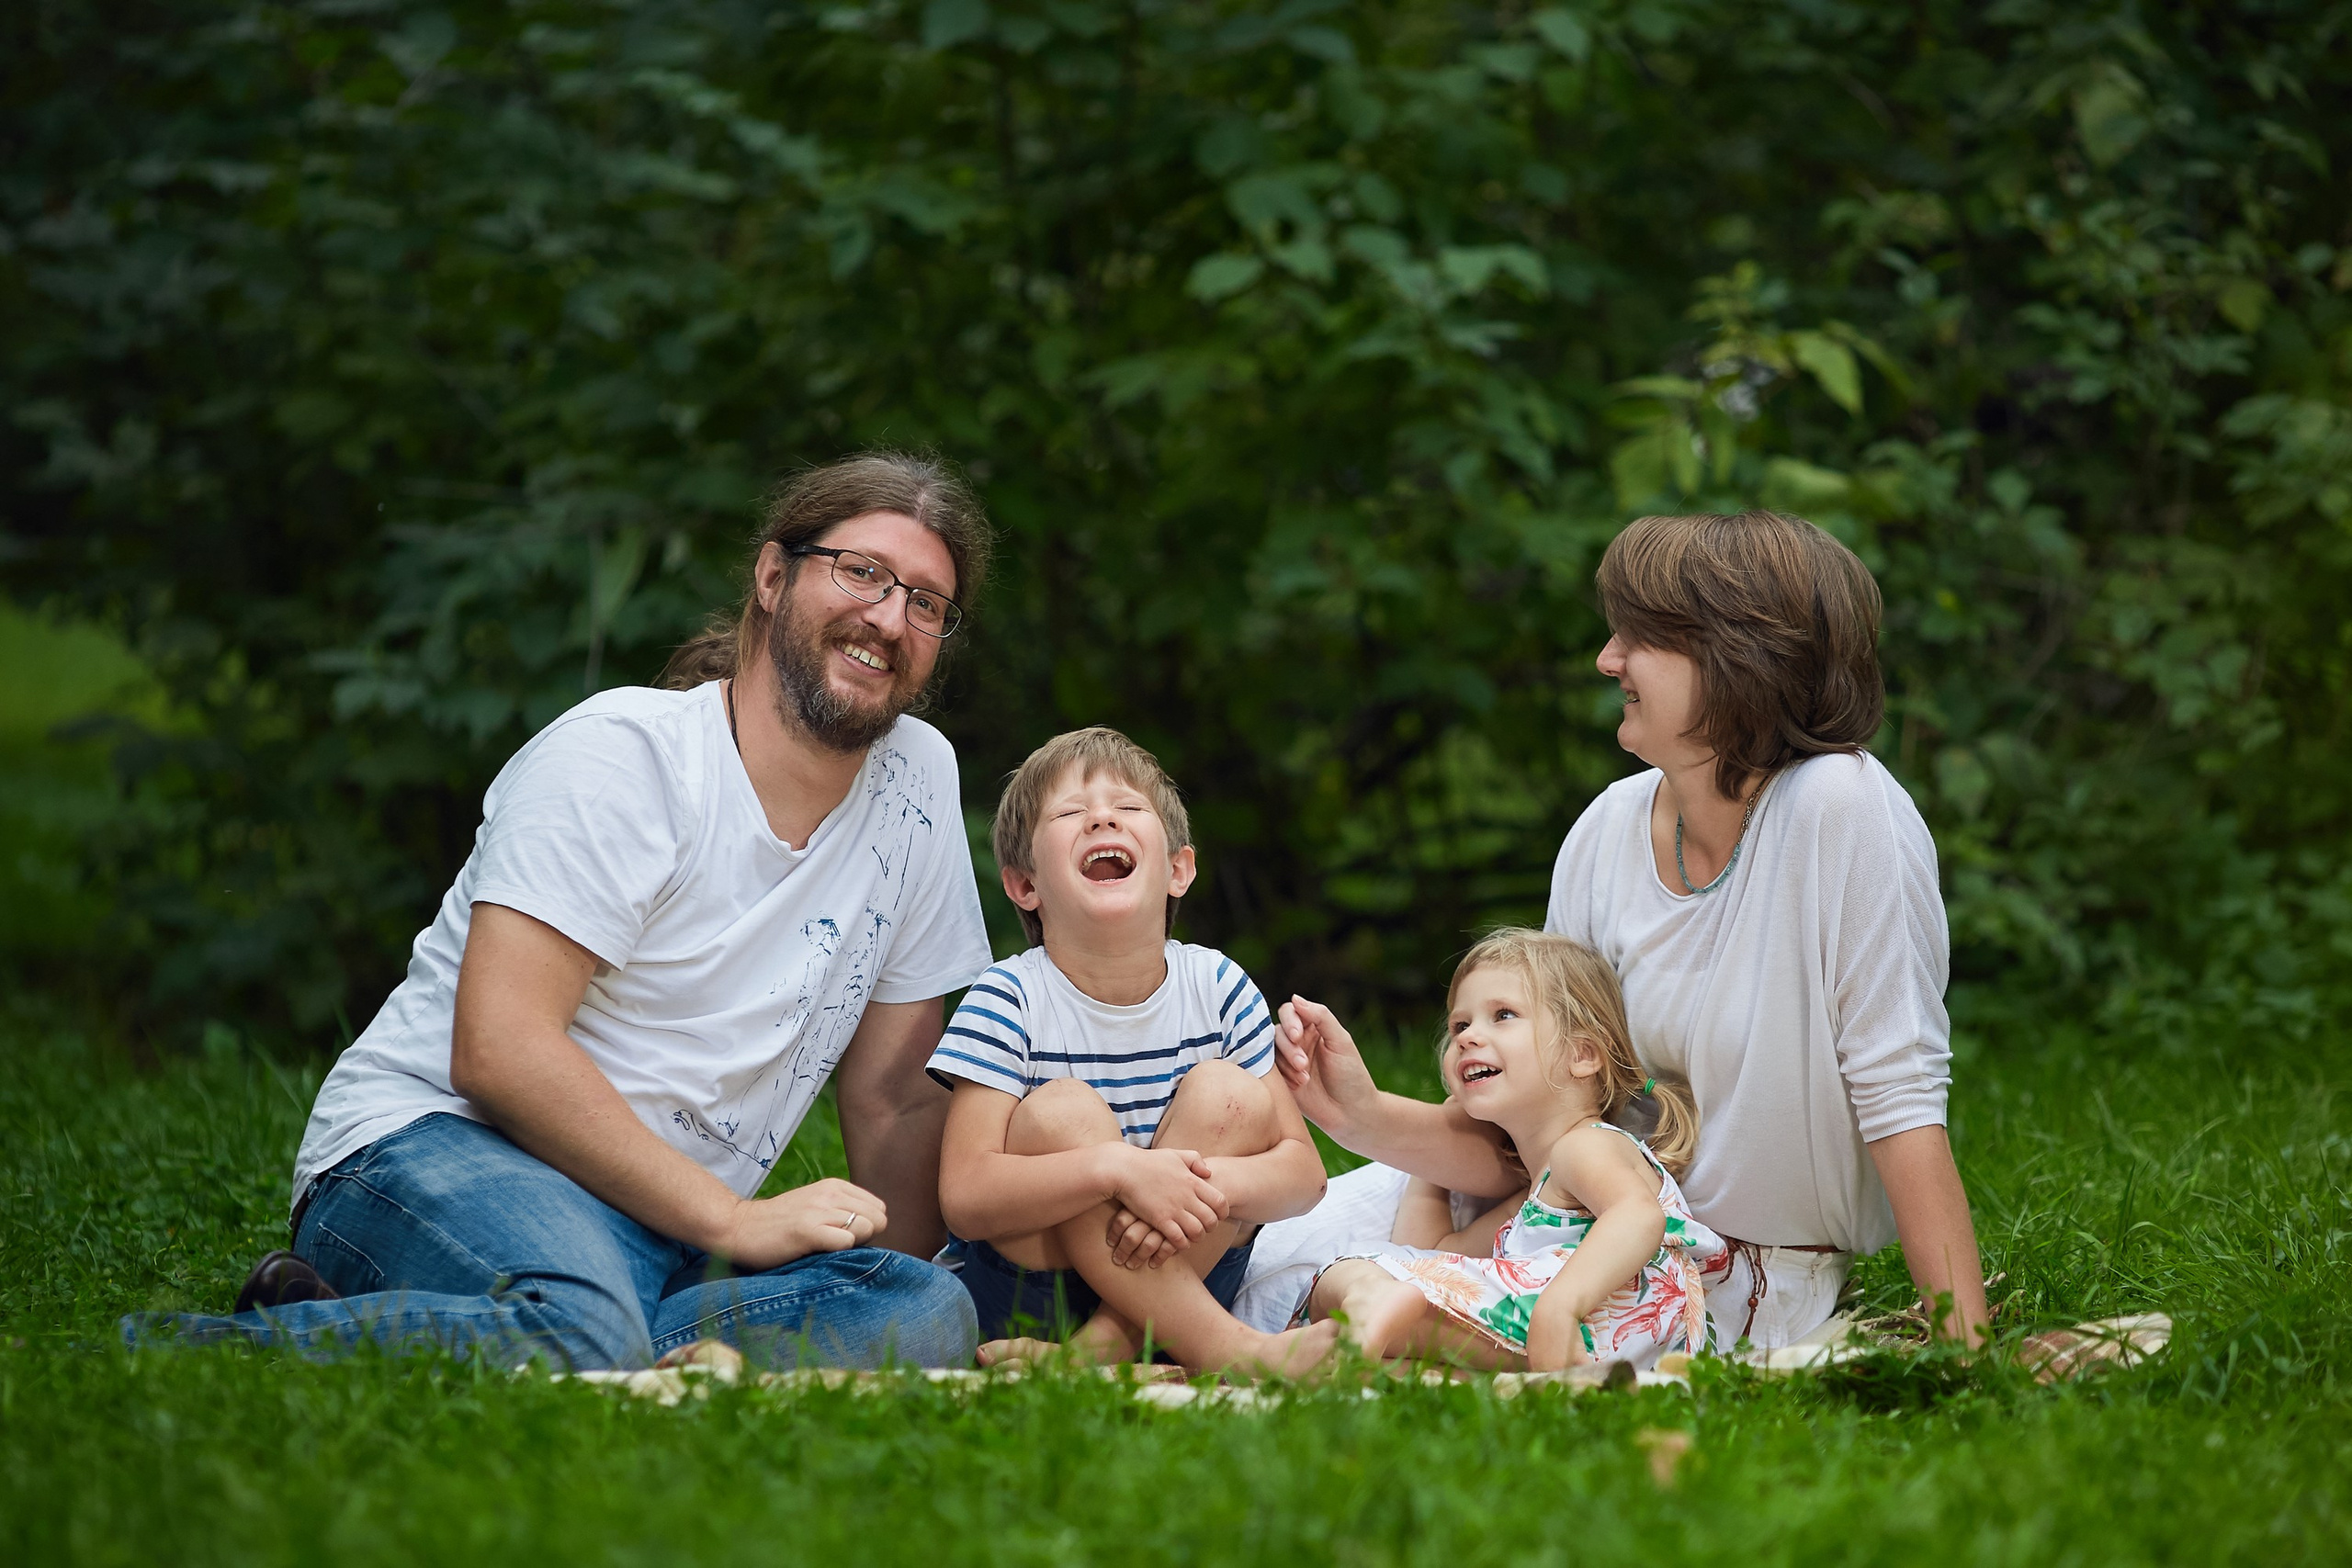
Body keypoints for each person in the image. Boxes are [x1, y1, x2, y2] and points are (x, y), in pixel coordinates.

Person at [125, 452, 1000, 1370]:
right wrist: (732, 1220)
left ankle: (426, 1322)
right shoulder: (621, 756)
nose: (889, 618)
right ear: (774, 577)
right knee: (588, 1325)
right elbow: (499, 1049)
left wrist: (924, 1282)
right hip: (436, 1148)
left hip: (655, 1222)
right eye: (860, 572)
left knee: (927, 1313)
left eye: (927, 603)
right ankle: (193, 1353)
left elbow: (896, 1098)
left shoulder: (918, 781)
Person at [1249, 510, 1990, 1350]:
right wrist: (1360, 1114)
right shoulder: (1606, 829)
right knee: (1267, 1257)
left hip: (1716, 1275)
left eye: (1641, 636)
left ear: (1738, 656)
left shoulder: (1840, 809)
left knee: (1339, 1290)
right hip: (1560, 1210)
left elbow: (1900, 1094)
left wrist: (1962, 1342)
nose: (1608, 659)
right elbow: (1542, 1130)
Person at [928, 728, 1335, 1374]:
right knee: (1062, 1112)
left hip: (1187, 1273)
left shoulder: (1218, 986)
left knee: (1229, 1093)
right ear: (1024, 884)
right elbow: (966, 1194)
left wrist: (1192, 1186)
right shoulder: (1007, 997)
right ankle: (1233, 1350)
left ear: (1179, 868)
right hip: (1034, 1292)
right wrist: (1118, 1171)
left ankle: (1094, 1355)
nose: (1101, 816)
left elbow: (1304, 1176)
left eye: (1127, 807)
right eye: (1069, 813)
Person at [1297, 930, 1724, 1371]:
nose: (1467, 1037)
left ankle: (1368, 1302)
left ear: (1581, 1054)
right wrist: (1431, 1167)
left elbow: (1639, 1216)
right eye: (1460, 1025)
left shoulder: (1586, 1146)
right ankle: (1378, 1325)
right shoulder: (1534, 1202)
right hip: (1591, 1340)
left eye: (1502, 1015)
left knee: (1343, 1273)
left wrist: (1561, 1308)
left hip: (1591, 1317)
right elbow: (1430, 1254)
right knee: (1368, 1303)